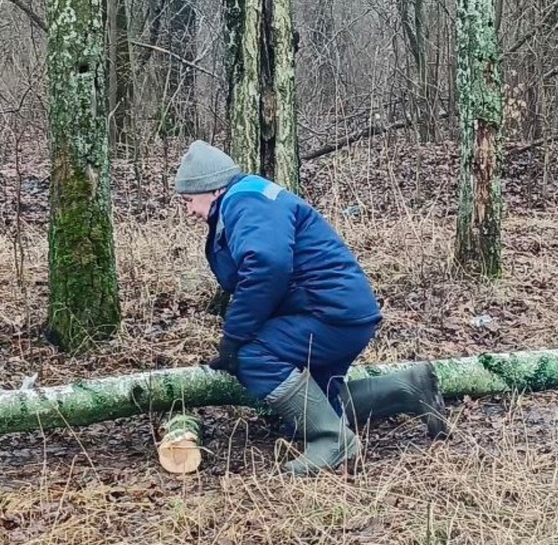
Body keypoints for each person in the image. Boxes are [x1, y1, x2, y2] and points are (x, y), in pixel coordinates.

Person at [174, 140, 447, 476]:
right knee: (315, 402)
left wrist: (234, 337)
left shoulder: (243, 202)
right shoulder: (250, 196)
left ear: (212, 189)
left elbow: (266, 266)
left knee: (252, 357)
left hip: (328, 314)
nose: (188, 210)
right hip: (341, 311)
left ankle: (334, 441)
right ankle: (410, 388)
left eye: (188, 201)